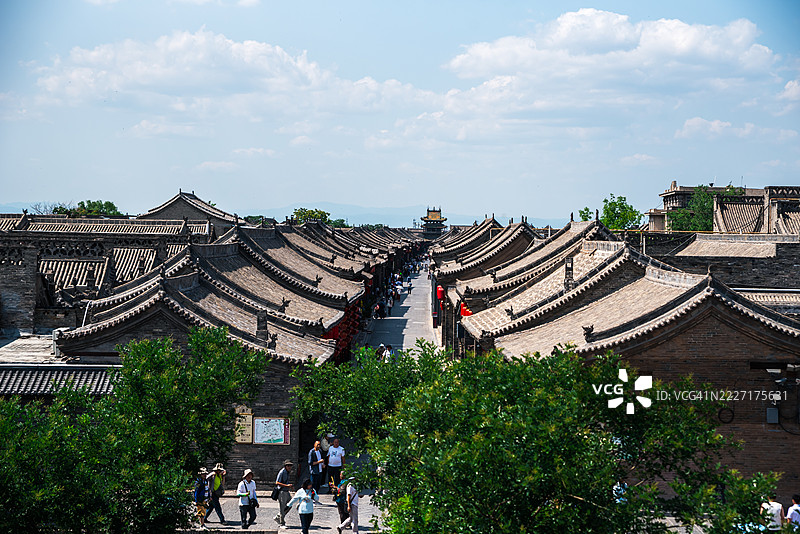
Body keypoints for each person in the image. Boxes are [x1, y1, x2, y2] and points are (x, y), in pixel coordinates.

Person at [273, 459, 293, 526]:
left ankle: (278, 517)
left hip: (286, 491)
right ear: (285, 466)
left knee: (289, 505)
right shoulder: (282, 472)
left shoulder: (287, 472)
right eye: (288, 466)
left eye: (290, 466)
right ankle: (282, 522)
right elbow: (277, 482)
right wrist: (286, 485)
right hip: (282, 492)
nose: (289, 467)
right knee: (282, 507)